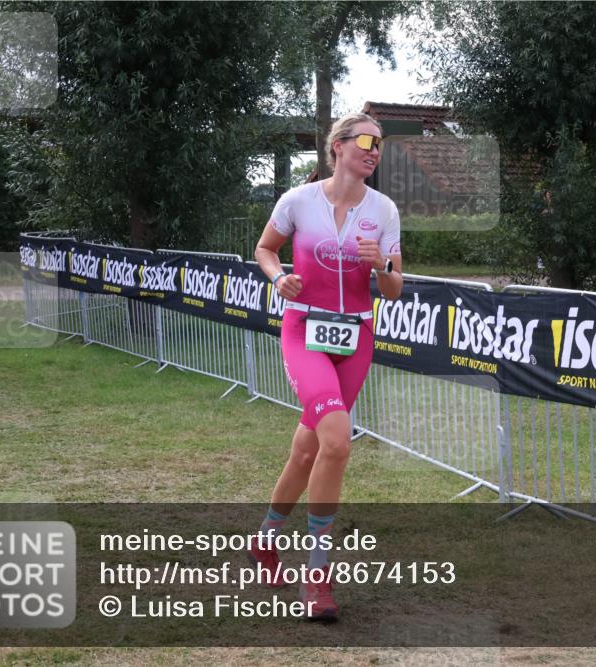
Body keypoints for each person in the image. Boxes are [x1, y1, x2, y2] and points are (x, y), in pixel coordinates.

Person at [251, 112, 403, 617]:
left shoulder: (383, 210)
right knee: (336, 441)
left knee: (306, 452)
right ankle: (318, 574)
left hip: (356, 336)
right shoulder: (297, 200)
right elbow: (265, 249)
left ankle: (264, 542)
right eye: (366, 141)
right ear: (337, 146)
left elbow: (393, 288)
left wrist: (380, 264)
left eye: (379, 144)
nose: (374, 150)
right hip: (305, 331)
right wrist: (278, 278)